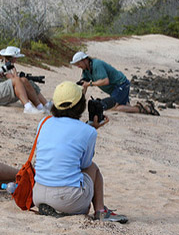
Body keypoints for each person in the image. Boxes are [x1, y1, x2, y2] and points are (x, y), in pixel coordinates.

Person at [32, 81, 127, 222]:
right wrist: (92, 129)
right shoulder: (88, 131)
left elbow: (65, 133)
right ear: (81, 105)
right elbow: (85, 164)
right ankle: (100, 211)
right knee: (93, 168)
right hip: (66, 198)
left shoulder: (44, 122)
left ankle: (56, 206)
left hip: (38, 194)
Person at [70, 51, 159, 115]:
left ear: (85, 60)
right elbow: (84, 85)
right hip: (114, 89)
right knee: (124, 106)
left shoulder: (97, 64)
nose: (78, 66)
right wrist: (80, 102)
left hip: (121, 84)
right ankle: (144, 106)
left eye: (78, 63)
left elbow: (105, 81)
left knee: (113, 107)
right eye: (76, 64)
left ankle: (142, 109)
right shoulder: (85, 70)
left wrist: (90, 84)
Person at [0, 46, 52, 111]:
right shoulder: (2, 66)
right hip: (1, 91)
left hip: (6, 88)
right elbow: (14, 79)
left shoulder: (8, 65)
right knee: (24, 82)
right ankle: (43, 104)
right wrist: (15, 72)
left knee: (28, 81)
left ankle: (42, 105)